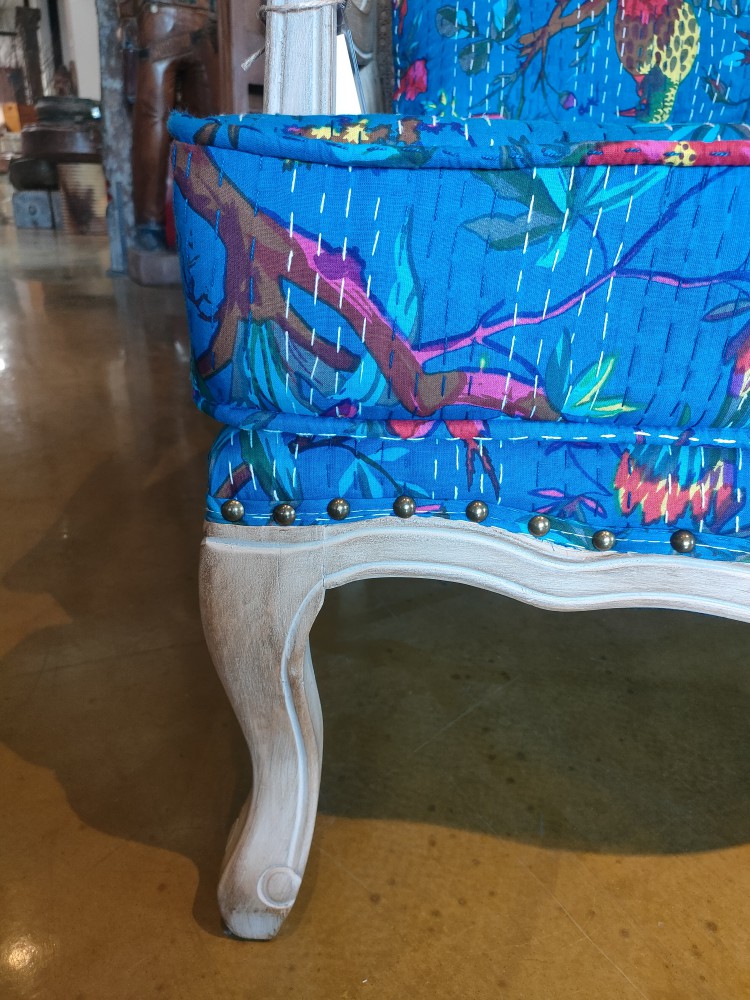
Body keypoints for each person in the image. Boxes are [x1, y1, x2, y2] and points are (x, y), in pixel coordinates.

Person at [120, 0, 219, 250]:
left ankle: (152, 227)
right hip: (190, 17)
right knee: (197, 124)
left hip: (172, 18)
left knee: (159, 120)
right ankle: (158, 225)